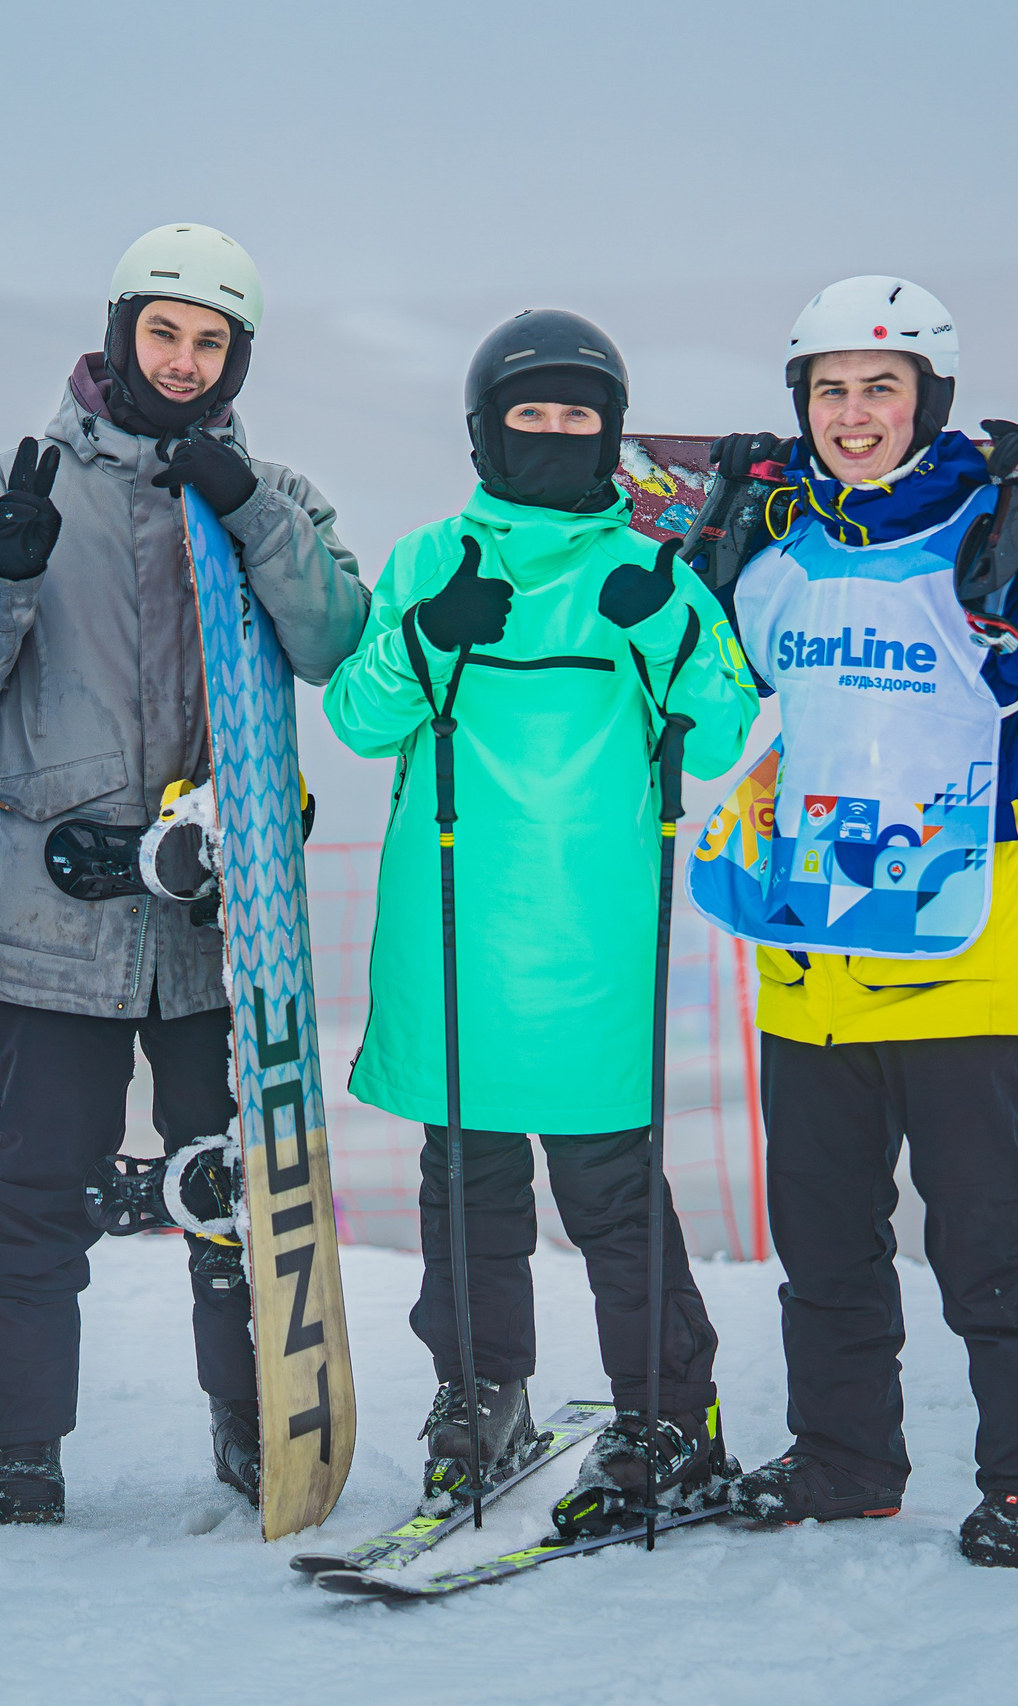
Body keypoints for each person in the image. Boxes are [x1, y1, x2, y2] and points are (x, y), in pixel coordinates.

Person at [0, 224, 368, 1524]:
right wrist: (8, 569)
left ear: (236, 357)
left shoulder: (271, 489)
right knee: (38, 1180)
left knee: (236, 1180)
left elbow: (336, 639)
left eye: (208, 341)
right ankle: (10, 1443)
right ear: (120, 333)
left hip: (226, 928)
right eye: (161, 332)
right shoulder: (27, 478)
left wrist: (249, 507)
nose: (181, 359)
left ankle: (258, 1419)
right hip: (52, 914)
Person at [702, 275, 1018, 1566]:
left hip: (964, 948)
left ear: (929, 400)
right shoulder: (780, 544)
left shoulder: (994, 530)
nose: (853, 414)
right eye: (830, 390)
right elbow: (721, 689)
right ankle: (844, 1460)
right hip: (811, 951)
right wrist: (703, 540)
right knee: (823, 1244)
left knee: (987, 1237)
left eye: (881, 388)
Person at [322, 310, 758, 1535]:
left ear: (610, 435)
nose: (555, 434)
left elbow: (721, 735)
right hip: (456, 925)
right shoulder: (429, 560)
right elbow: (357, 718)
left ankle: (669, 1414)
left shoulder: (653, 575)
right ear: (486, 431)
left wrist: (666, 624)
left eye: (578, 416)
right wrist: (423, 634)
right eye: (532, 414)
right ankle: (480, 1392)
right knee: (466, 1182)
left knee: (611, 1186)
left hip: (591, 934)